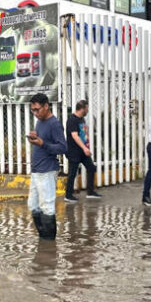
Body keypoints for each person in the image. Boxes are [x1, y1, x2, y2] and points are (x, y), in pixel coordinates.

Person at [27, 93, 67, 240]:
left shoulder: (54, 124)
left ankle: (50, 245)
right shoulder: (40, 121)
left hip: (48, 170)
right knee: (33, 205)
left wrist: (42, 143)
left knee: (47, 207)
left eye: (37, 110)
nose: (35, 113)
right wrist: (35, 137)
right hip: (37, 170)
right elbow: (42, 140)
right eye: (33, 110)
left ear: (46, 106)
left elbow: (63, 148)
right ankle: (44, 239)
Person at [64, 100, 101, 202]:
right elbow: (75, 136)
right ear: (82, 108)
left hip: (82, 151)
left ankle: (90, 192)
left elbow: (83, 134)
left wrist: (86, 147)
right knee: (72, 173)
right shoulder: (72, 120)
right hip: (74, 151)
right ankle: (68, 195)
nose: (88, 110)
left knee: (91, 168)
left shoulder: (81, 119)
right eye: (87, 108)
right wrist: (85, 148)